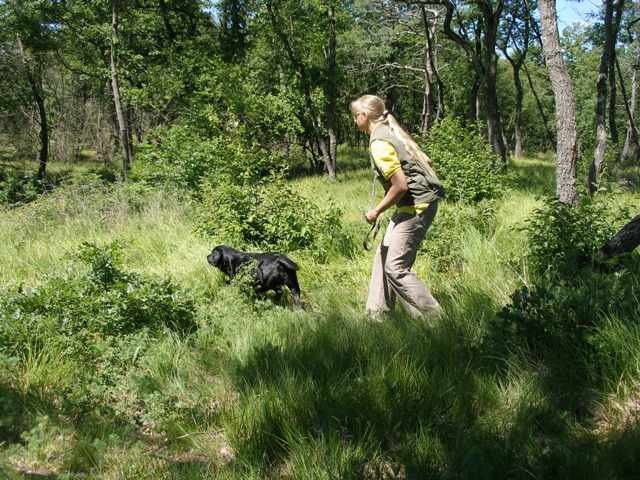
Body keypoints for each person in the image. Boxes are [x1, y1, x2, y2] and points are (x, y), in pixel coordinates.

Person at [350, 94, 445, 320]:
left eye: (355, 117)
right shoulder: (387, 132)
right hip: (411, 206)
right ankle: (378, 316)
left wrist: (376, 211)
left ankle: (437, 318)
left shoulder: (379, 143)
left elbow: (400, 186)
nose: (354, 121)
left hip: (417, 207)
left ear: (364, 116)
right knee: (383, 255)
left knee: (395, 267)